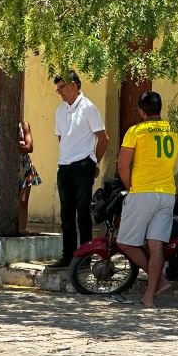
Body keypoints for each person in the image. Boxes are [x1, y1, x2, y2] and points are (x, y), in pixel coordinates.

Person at [117, 90, 178, 308]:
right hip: (167, 193)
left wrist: (130, 187)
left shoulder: (136, 131)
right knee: (155, 246)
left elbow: (123, 166)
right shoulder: (174, 130)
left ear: (141, 112)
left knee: (124, 241)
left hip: (143, 193)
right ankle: (149, 296)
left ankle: (159, 282)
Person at [52, 71, 109, 268]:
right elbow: (62, 139)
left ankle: (85, 257)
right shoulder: (60, 111)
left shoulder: (89, 108)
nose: (59, 91)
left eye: (62, 87)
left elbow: (103, 139)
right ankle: (68, 256)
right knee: (66, 213)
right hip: (65, 166)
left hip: (83, 164)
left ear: (74, 86)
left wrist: (94, 162)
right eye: (58, 87)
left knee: (82, 212)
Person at [18, 118, 42, 234]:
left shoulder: (24, 125)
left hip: (24, 167)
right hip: (5, 167)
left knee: (23, 201)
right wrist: (20, 144)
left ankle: (21, 230)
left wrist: (16, 145)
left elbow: (29, 147)